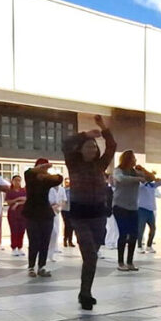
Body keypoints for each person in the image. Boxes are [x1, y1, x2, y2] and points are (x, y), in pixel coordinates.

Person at [63, 115, 117, 310]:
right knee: (90, 255)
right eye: (88, 146)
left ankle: (85, 289)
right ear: (80, 149)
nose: (92, 149)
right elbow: (66, 143)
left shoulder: (100, 165)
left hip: (98, 214)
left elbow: (112, 145)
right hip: (80, 215)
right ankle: (85, 293)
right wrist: (85, 134)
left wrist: (103, 127)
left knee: (93, 253)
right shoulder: (73, 163)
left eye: (94, 146)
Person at [23, 159, 63, 277]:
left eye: (45, 168)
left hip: (46, 213)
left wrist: (46, 175)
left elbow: (59, 178)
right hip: (32, 213)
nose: (43, 170)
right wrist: (40, 169)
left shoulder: (47, 181)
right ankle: (31, 267)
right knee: (34, 241)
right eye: (41, 167)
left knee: (45, 241)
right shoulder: (30, 178)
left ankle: (42, 266)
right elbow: (28, 172)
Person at [137, 176, 161, 253]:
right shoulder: (140, 185)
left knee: (153, 228)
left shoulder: (152, 185)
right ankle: (139, 246)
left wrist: (155, 178)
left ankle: (149, 245)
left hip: (150, 210)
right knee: (141, 229)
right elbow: (141, 185)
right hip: (142, 209)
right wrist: (144, 180)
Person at [7, 176, 27, 256]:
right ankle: (14, 247)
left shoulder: (23, 190)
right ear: (12, 181)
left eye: (19, 180)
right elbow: (8, 202)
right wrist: (17, 199)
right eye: (16, 180)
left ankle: (20, 247)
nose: (17, 182)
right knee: (14, 230)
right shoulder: (10, 191)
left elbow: (26, 200)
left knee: (21, 230)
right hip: (13, 214)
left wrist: (18, 203)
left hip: (23, 213)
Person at [49, 177, 67, 261]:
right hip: (49, 211)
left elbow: (64, 200)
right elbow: (48, 201)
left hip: (57, 211)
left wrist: (59, 208)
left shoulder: (62, 189)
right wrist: (54, 207)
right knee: (51, 231)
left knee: (56, 231)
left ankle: (54, 248)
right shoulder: (49, 189)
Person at [60, 178, 75, 248]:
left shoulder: (73, 191)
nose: (67, 183)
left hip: (72, 210)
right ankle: (65, 240)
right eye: (66, 182)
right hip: (65, 209)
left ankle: (70, 240)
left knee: (71, 226)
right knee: (67, 225)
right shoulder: (63, 190)